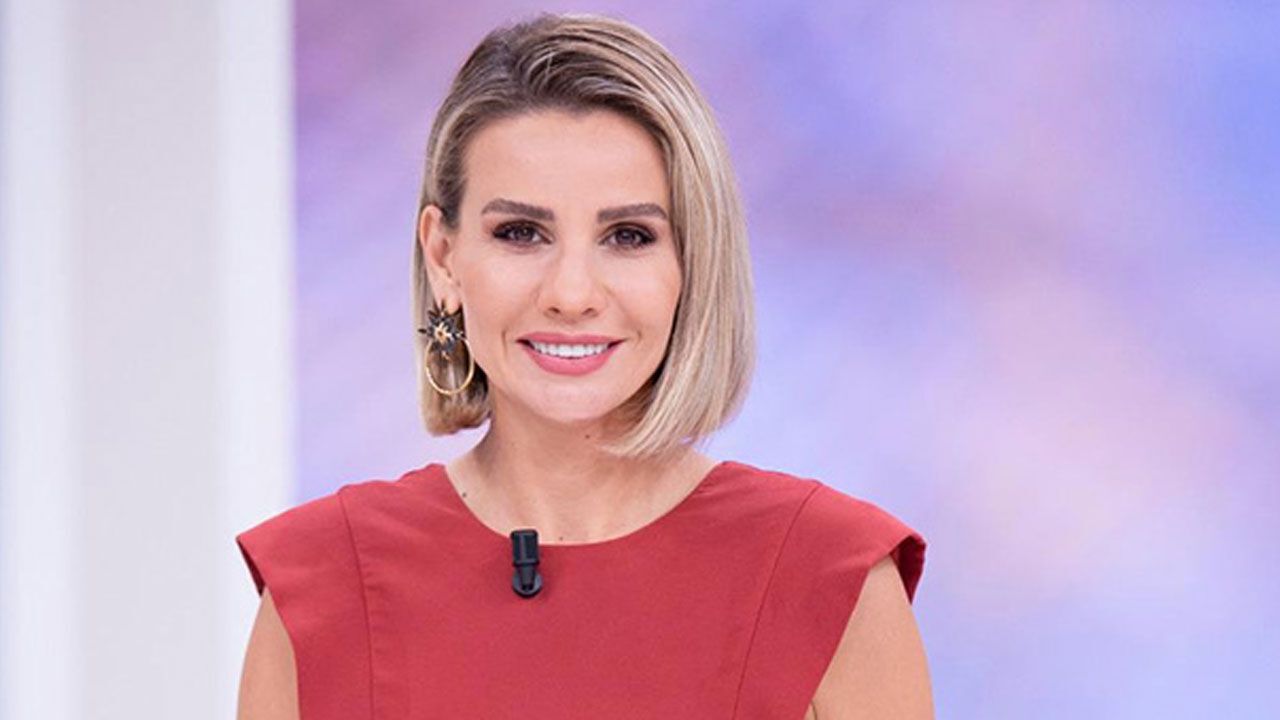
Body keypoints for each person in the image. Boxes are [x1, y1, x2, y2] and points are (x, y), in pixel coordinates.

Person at [236, 12, 932, 720]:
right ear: (443, 257)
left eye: (628, 236)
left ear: (692, 261)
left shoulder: (830, 580)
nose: (571, 295)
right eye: (520, 233)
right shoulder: (320, 587)